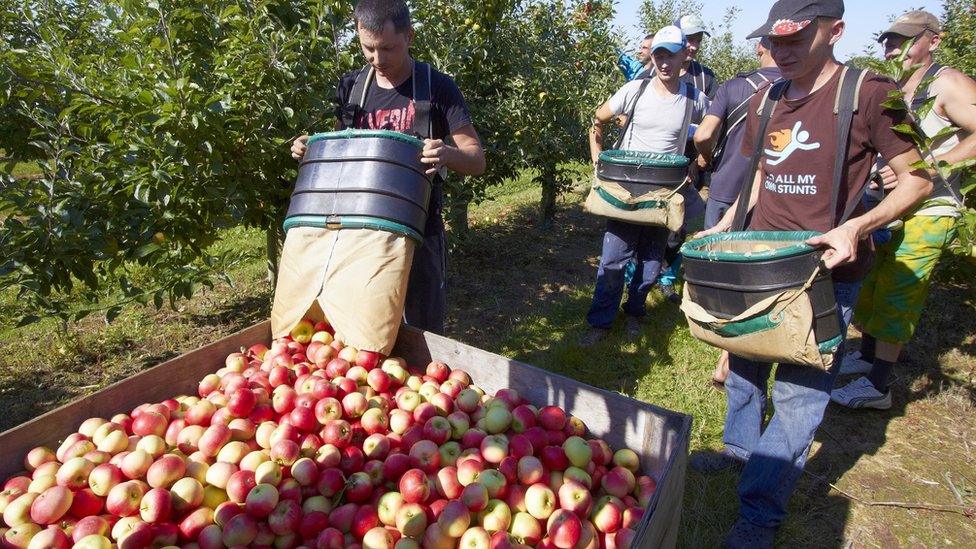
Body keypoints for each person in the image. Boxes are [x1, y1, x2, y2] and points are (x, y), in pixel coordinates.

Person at [689, 1, 934, 546]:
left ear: (836, 31)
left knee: (802, 392)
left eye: (796, 41)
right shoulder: (767, 97)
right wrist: (725, 227)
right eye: (775, 42)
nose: (782, 52)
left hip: (824, 270)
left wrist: (858, 227)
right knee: (747, 361)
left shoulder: (871, 93)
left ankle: (759, 512)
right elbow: (758, 177)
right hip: (761, 259)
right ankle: (739, 448)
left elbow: (918, 180)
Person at [289, 0, 485, 335]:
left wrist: (447, 154)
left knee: (421, 331)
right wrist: (314, 150)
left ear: (409, 36)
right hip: (359, 230)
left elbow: (476, 159)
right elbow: (345, 157)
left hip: (418, 233)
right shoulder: (351, 89)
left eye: (388, 49)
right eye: (368, 48)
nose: (378, 60)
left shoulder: (437, 87)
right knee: (363, 325)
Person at [831, 10, 975, 410]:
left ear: (935, 40)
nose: (894, 47)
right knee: (875, 284)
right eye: (890, 40)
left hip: (930, 210)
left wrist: (929, 169)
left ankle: (879, 385)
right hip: (892, 207)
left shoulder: (948, 82)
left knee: (899, 294)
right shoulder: (900, 84)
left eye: (905, 39)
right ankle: (866, 357)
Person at [581, 26, 709, 347]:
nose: (665, 62)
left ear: (685, 57)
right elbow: (597, 120)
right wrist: (598, 158)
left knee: (651, 264)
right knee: (613, 259)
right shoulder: (634, 90)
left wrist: (698, 162)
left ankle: (635, 313)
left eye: (671, 55)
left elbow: (713, 131)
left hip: (664, 195)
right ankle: (600, 322)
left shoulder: (695, 98)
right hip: (628, 192)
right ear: (653, 57)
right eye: (659, 55)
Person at [692, 38, 782, 390]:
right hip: (772, 192)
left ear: (760, 47)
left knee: (719, 265)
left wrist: (707, 158)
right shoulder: (797, 89)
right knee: (753, 272)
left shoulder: (734, 86)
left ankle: (716, 327)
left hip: (727, 185)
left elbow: (704, 133)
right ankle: (729, 356)